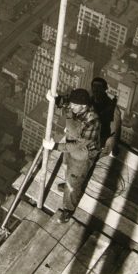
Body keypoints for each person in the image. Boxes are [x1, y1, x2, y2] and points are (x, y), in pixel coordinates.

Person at [43, 88, 101, 223]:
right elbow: (65, 102)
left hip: (83, 153)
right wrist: (55, 99)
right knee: (67, 166)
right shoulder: (75, 105)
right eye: (71, 104)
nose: (71, 106)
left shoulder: (93, 121)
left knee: (73, 181)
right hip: (71, 143)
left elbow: (78, 145)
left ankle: (68, 209)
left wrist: (55, 146)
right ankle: (71, 186)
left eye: (74, 105)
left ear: (84, 106)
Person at [90, 77, 121, 158]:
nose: (96, 89)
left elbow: (116, 130)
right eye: (94, 86)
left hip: (101, 140)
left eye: (99, 87)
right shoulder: (89, 101)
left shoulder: (112, 108)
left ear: (104, 89)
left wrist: (114, 146)